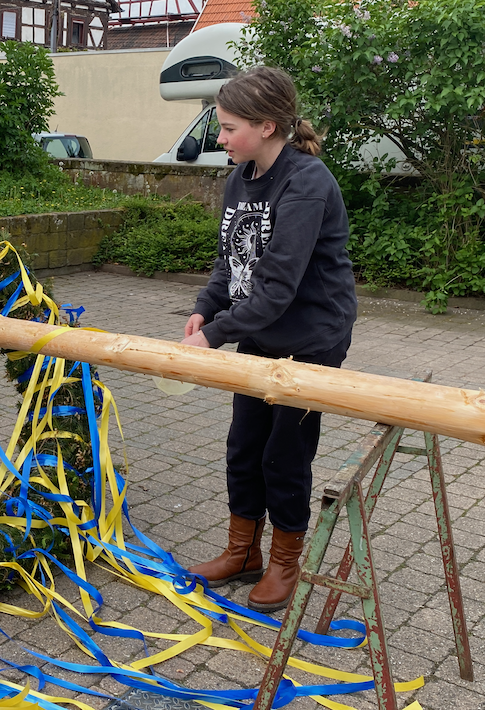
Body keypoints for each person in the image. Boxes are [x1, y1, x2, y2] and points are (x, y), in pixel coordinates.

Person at [182, 67, 358, 612]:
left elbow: (277, 288)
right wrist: (204, 309)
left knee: (284, 453)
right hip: (260, 329)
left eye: (229, 127)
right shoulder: (241, 177)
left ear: (266, 125)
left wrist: (214, 336)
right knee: (244, 446)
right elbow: (231, 262)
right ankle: (243, 553)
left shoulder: (306, 183)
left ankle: (285, 563)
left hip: (310, 337)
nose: (219, 137)